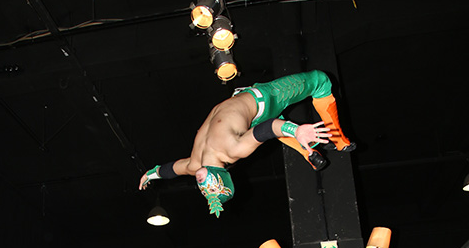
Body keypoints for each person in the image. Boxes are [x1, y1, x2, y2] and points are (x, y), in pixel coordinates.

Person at [139, 70, 355, 216]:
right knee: (320, 80)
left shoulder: (193, 165)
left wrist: (150, 174)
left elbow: (170, 170)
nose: (203, 186)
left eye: (205, 192)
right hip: (266, 99)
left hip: (247, 109)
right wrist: (296, 130)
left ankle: (309, 153)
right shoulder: (234, 150)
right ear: (223, 180)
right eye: (212, 189)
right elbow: (269, 127)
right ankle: (339, 140)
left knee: (276, 129)